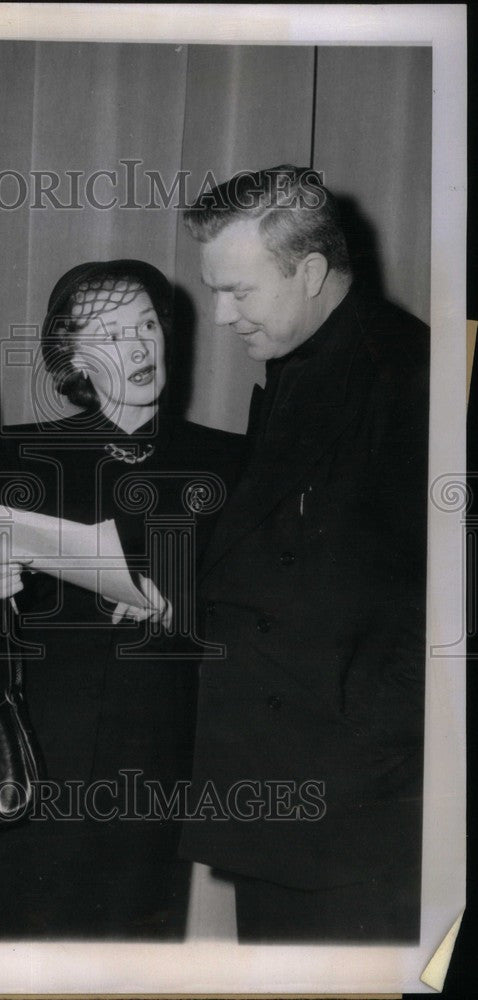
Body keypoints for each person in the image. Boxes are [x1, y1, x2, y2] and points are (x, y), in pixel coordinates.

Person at [0, 259, 243, 939]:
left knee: (129, 956)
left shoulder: (233, 462)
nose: (138, 348)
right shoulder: (14, 457)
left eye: (147, 326)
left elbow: (259, 615)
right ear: (69, 355)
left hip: (154, 763)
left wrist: (179, 613)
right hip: (27, 758)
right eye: (109, 334)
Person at [180, 165, 429, 942]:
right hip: (281, 784)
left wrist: (366, 746)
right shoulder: (300, 361)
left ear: (313, 271)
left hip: (354, 804)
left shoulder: (412, 375)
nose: (221, 317)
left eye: (239, 293)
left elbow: (446, 608)